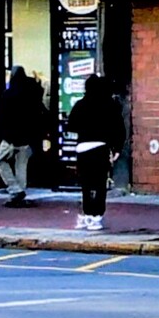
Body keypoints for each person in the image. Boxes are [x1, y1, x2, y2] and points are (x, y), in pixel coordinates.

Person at [66, 75, 120, 233]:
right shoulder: (110, 105)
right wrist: (116, 149)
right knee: (100, 183)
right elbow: (117, 128)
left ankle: (87, 212)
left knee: (86, 183)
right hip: (101, 147)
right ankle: (97, 215)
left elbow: (71, 125)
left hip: (83, 147)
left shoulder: (80, 104)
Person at [0, 65, 47, 207]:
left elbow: (1, 116)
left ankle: (14, 190)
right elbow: (39, 112)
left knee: (1, 160)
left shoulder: (8, 94)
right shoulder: (33, 93)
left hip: (10, 137)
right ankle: (20, 194)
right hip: (27, 137)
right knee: (21, 165)